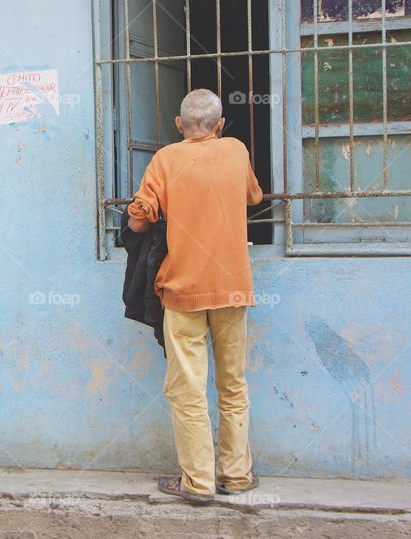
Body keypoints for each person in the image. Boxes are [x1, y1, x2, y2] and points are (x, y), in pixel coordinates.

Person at [127, 88, 264, 503]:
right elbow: (254, 197)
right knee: (233, 384)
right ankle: (237, 476)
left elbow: (138, 216)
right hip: (233, 289)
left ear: (179, 125)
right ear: (220, 126)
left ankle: (198, 483)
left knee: (188, 391)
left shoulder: (166, 159)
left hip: (182, 292)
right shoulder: (236, 150)